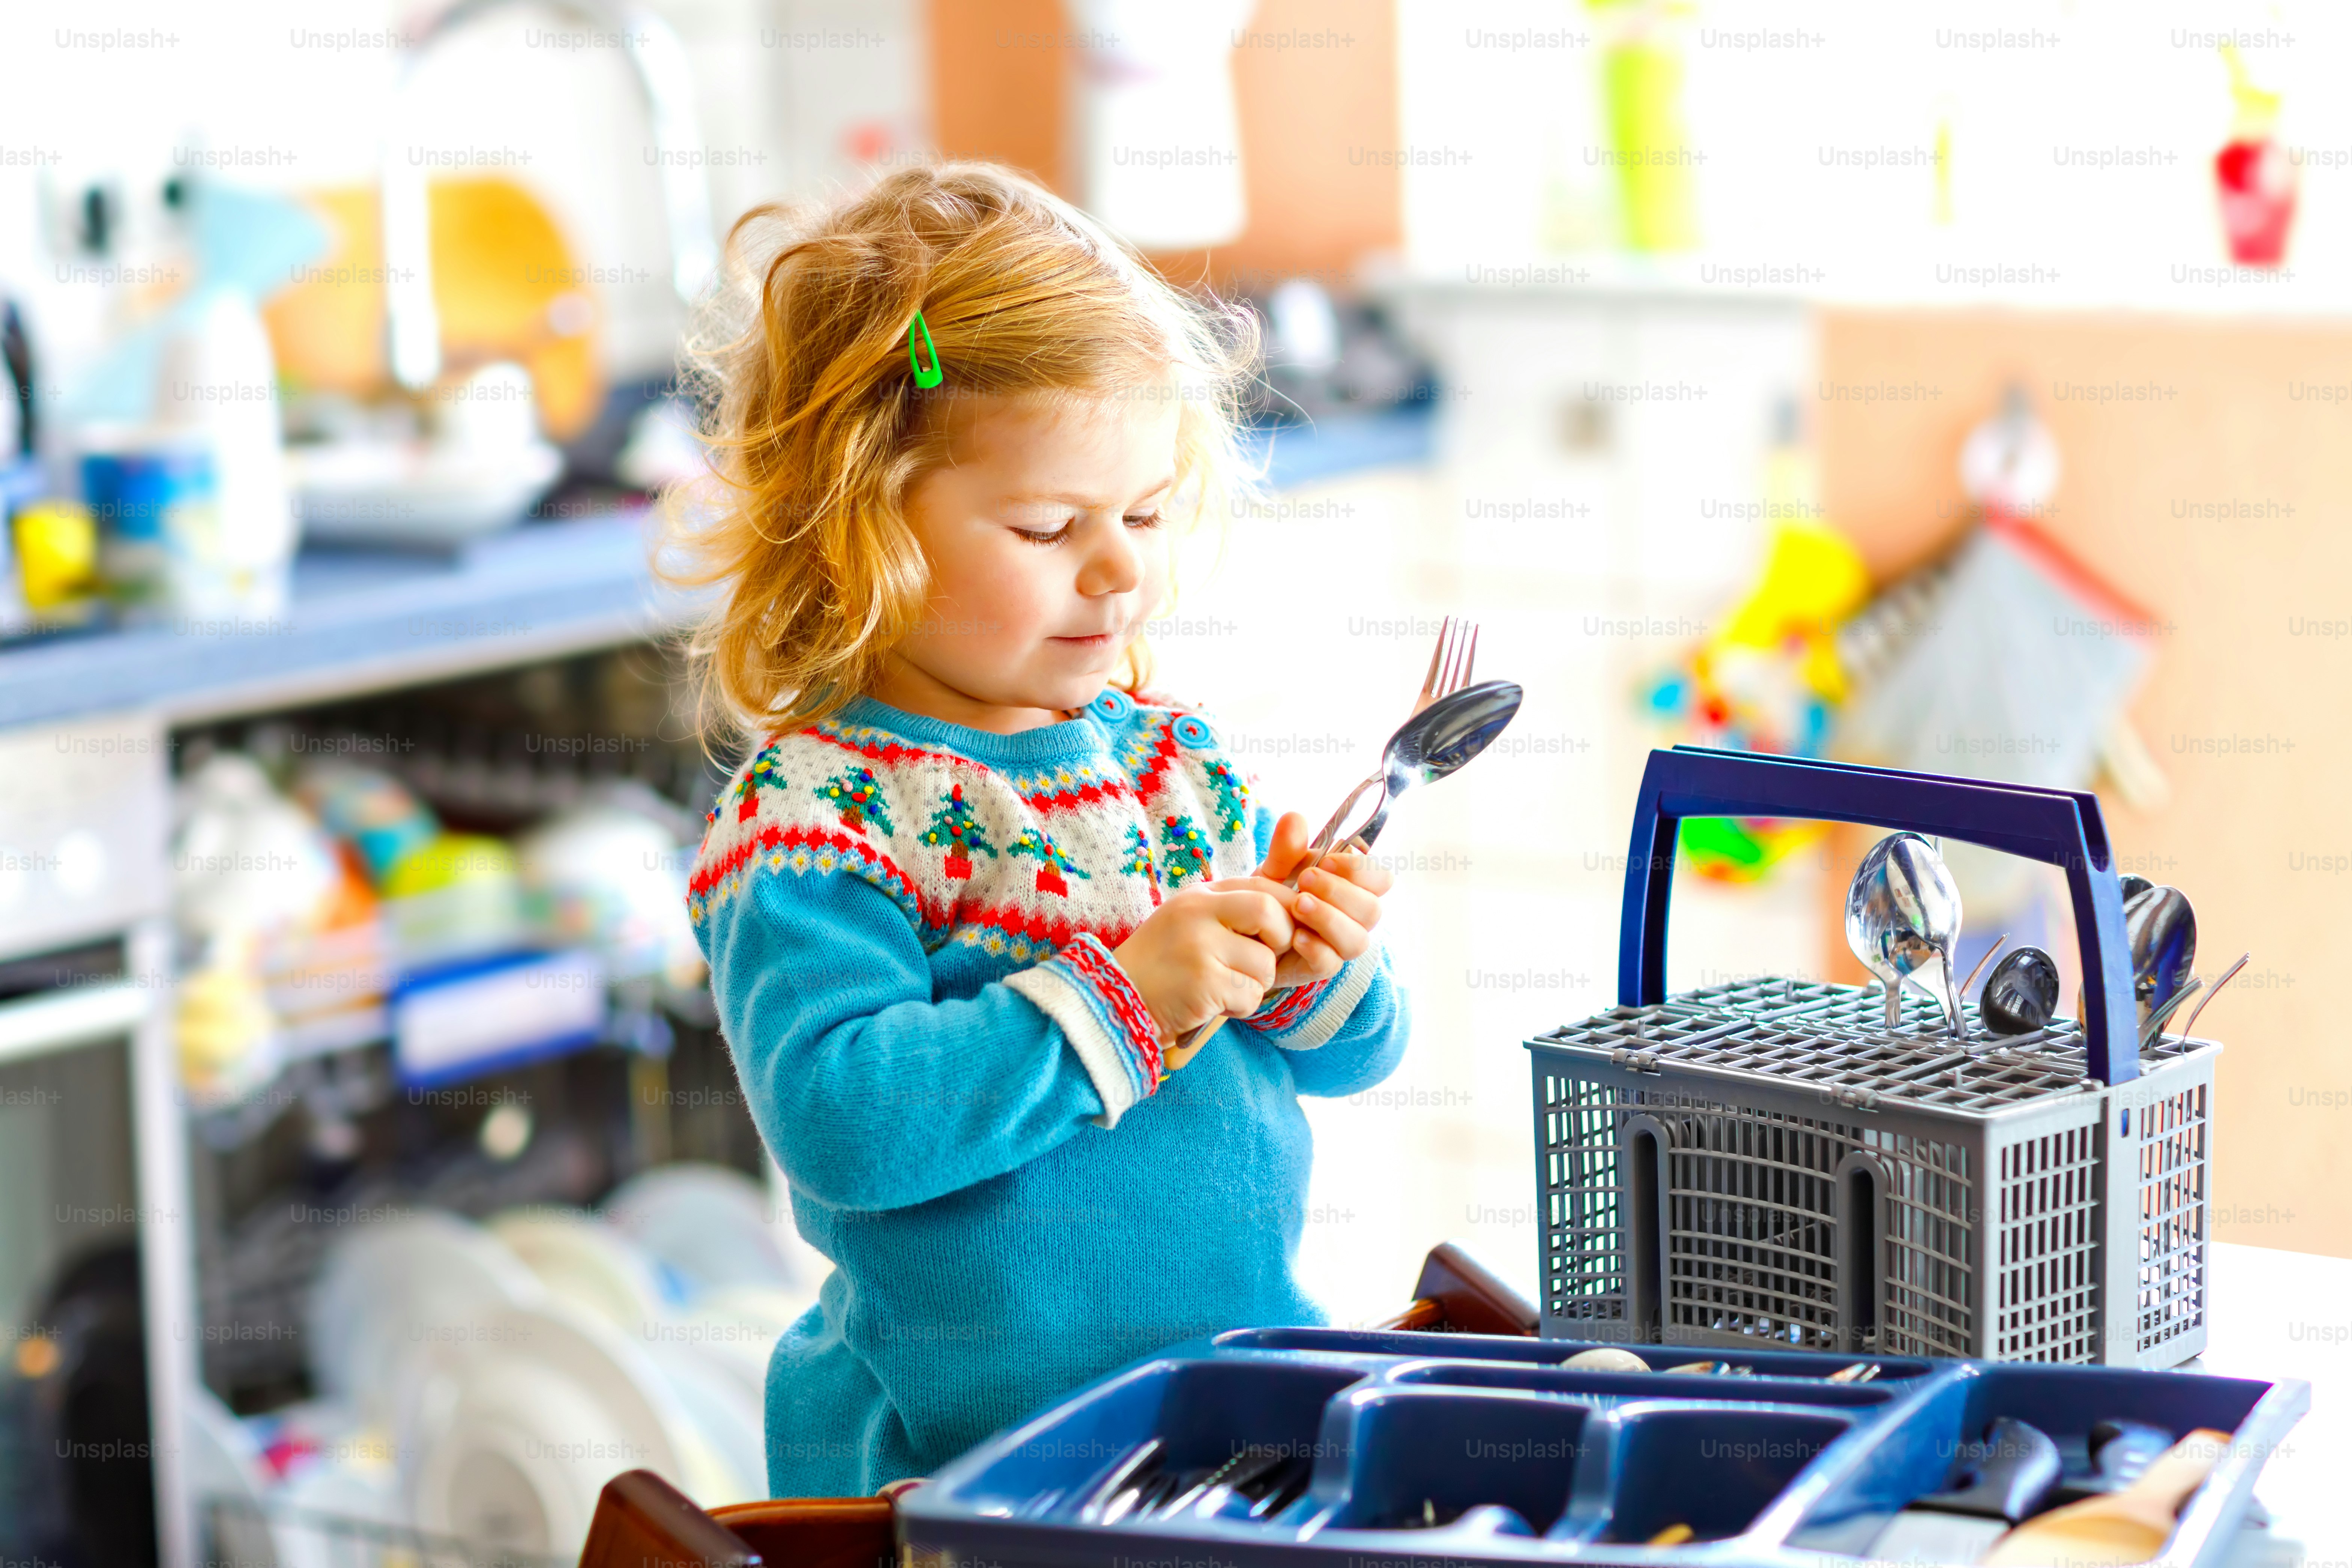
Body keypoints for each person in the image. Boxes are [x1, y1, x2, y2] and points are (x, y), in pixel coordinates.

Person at [665, 162, 1409, 1499]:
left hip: (1239, 1428)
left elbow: (1351, 1060)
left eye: (1142, 512)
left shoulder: (1168, 760)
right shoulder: (818, 814)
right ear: (861, 526)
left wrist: (1320, 972)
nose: (1120, 568)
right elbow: (842, 1121)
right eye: (1050, 526)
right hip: (977, 1476)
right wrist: (1125, 998)